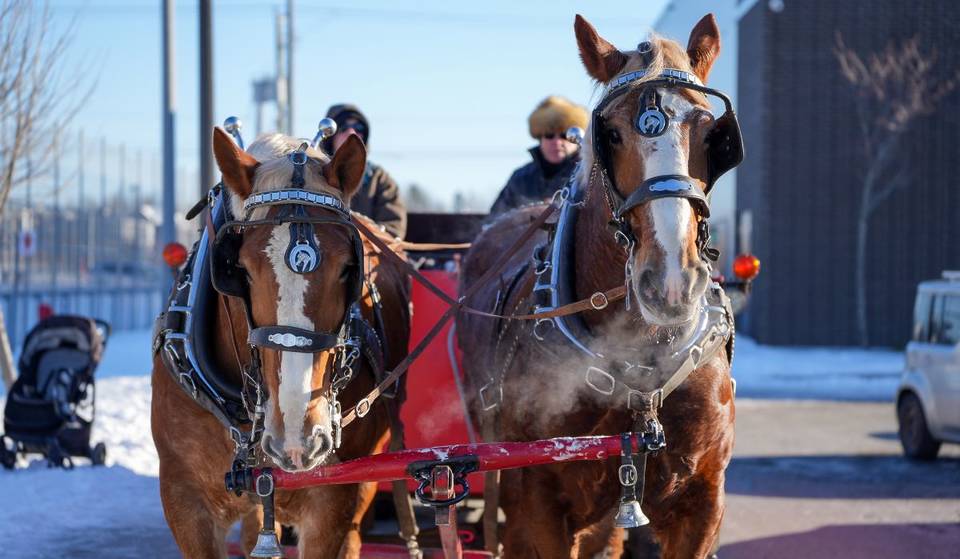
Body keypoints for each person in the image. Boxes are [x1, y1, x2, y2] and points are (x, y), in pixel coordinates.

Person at [489, 96, 588, 215]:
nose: (557, 142)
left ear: (576, 137)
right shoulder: (521, 179)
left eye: (564, 135)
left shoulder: (588, 176)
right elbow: (495, 220)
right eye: (549, 135)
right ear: (539, 138)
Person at [323, 104, 407, 239]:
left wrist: (358, 242)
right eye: (343, 127)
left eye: (359, 128)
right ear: (330, 137)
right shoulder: (313, 175)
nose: (352, 133)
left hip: (368, 257)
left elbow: (392, 229)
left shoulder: (380, 179)